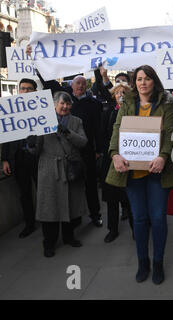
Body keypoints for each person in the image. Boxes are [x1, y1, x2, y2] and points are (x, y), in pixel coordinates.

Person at [106, 65, 173, 285]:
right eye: (139, 79)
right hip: (132, 171)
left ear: (154, 81)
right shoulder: (127, 103)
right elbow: (117, 130)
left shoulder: (165, 105)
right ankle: (142, 262)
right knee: (139, 219)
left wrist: (164, 156)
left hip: (157, 171)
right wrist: (115, 154)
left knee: (157, 219)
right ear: (134, 82)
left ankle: (158, 262)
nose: (143, 82)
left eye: (147, 78)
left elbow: (170, 134)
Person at [35, 69, 104, 228]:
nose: (80, 85)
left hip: (86, 150)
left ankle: (95, 214)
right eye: (77, 83)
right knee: (73, 188)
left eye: (83, 83)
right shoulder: (64, 96)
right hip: (66, 152)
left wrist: (98, 150)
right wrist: (38, 64)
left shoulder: (94, 104)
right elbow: (48, 82)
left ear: (87, 85)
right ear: (71, 85)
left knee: (90, 185)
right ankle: (75, 217)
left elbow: (98, 128)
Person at [30, 91, 88, 257]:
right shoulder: (42, 121)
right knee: (50, 209)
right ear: (54, 104)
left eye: (68, 104)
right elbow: (36, 150)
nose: (65, 107)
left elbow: (83, 142)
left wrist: (67, 133)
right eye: (62, 103)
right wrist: (31, 144)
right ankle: (49, 243)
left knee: (70, 206)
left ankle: (69, 237)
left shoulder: (77, 121)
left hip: (70, 169)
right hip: (50, 170)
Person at [1, 78, 39, 238]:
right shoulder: (10, 109)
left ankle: (48, 220)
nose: (25, 91)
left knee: (43, 189)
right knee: (24, 193)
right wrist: (4, 160)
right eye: (22, 88)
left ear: (35, 92)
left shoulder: (41, 108)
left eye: (29, 89)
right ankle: (29, 223)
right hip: (18, 158)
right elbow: (6, 136)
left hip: (38, 157)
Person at [98, 80, 134, 243]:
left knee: (131, 199)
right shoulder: (108, 112)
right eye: (118, 92)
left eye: (124, 92)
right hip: (111, 160)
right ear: (113, 96)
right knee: (112, 198)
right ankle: (112, 229)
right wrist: (113, 154)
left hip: (131, 159)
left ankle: (136, 230)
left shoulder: (134, 111)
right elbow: (104, 136)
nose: (121, 95)